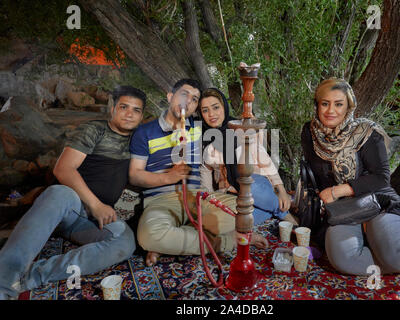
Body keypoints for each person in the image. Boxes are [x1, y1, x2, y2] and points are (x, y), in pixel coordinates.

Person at [0, 85, 146, 299]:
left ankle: (31, 276)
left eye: (136, 110)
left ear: (142, 116)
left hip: (88, 223)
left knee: (125, 242)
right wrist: (96, 205)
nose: (129, 114)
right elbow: (63, 168)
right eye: (124, 107)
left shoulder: (139, 141)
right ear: (113, 107)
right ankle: (4, 281)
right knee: (61, 192)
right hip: (68, 208)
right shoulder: (94, 130)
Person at [300, 78, 400, 275]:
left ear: (349, 106)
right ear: (317, 105)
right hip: (342, 209)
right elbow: (314, 176)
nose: (331, 111)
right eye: (325, 103)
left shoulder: (367, 133)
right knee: (344, 260)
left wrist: (339, 190)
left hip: (378, 202)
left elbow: (381, 178)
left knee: (397, 256)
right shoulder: (311, 133)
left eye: (338, 104)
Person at [129, 79, 268, 267]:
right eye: (184, 95)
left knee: (244, 211)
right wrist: (168, 177)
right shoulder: (145, 132)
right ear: (170, 97)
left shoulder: (198, 126)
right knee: (148, 235)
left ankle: (173, 240)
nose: (189, 102)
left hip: (199, 198)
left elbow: (223, 121)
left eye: (194, 99)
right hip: (160, 201)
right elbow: (135, 174)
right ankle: (228, 241)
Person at [198, 87, 296, 226]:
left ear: (224, 107)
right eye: (205, 110)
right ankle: (271, 210)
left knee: (249, 187)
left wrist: (281, 190)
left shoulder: (241, 130)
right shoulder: (206, 141)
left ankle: (285, 215)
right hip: (231, 194)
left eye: (215, 107)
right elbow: (205, 171)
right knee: (228, 222)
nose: (211, 114)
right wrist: (209, 200)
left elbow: (265, 161)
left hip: (255, 183)